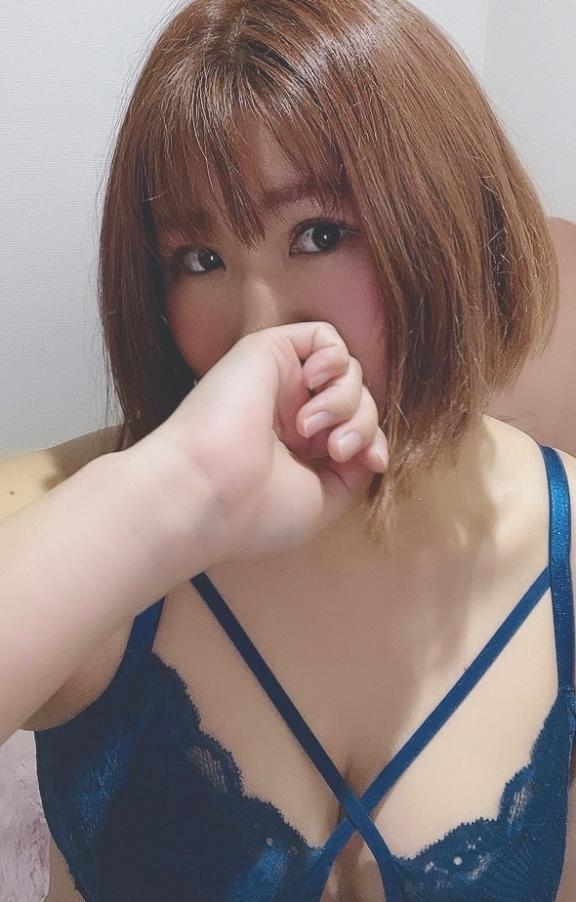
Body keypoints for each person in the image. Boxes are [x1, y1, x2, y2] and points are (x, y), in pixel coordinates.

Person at [1, 1, 575, 899]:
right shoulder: (70, 516)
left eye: (320, 234)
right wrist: (180, 496)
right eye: (198, 259)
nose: (258, 334)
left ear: (455, 226)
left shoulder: (563, 550)